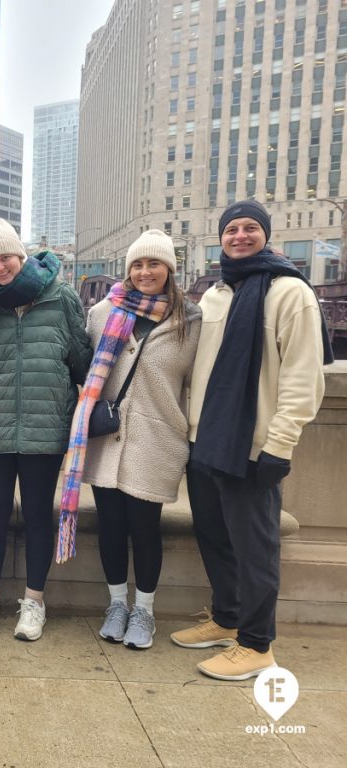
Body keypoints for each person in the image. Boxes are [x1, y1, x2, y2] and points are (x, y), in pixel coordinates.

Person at [173, 200, 332, 680]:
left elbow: (303, 379)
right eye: (231, 230)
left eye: (250, 228)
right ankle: (227, 619)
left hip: (252, 446)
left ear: (266, 234)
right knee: (214, 536)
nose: (240, 236)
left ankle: (257, 644)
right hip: (205, 441)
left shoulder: (290, 293)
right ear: (220, 239)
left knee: (254, 548)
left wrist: (279, 446)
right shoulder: (216, 294)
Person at [56, 230, 201, 650]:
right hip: (107, 440)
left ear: (169, 269)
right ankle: (117, 604)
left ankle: (145, 611)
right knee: (112, 527)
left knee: (145, 528)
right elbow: (82, 368)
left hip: (156, 440)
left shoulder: (190, 321)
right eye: (137, 265)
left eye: (154, 264)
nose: (144, 272)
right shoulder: (103, 313)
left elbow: (197, 386)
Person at [0, 217, 92, 641]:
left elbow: (81, 360)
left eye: (6, 258)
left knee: (39, 514)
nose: (0, 267)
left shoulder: (61, 297)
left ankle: (34, 601)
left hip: (46, 426)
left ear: (21, 256)